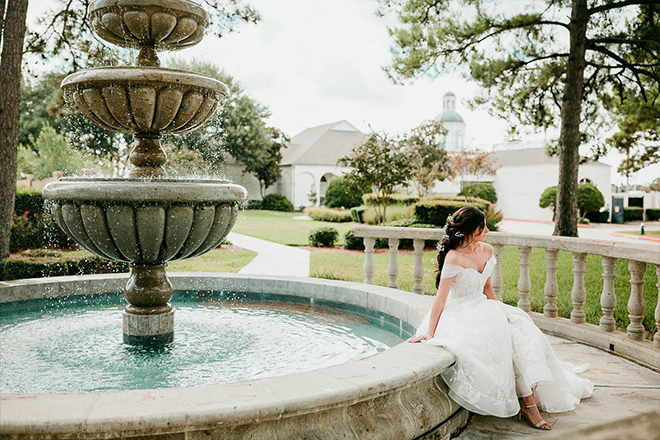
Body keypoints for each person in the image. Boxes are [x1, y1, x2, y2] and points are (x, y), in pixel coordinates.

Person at [408, 207, 593, 430]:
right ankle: (528, 404)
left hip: (485, 306)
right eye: (482, 227)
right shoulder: (453, 257)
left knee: (523, 330)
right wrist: (430, 331)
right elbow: (440, 299)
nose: (487, 230)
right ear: (469, 230)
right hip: (461, 312)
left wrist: (499, 311)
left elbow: (487, 287)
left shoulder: (486, 249)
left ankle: (528, 398)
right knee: (504, 337)